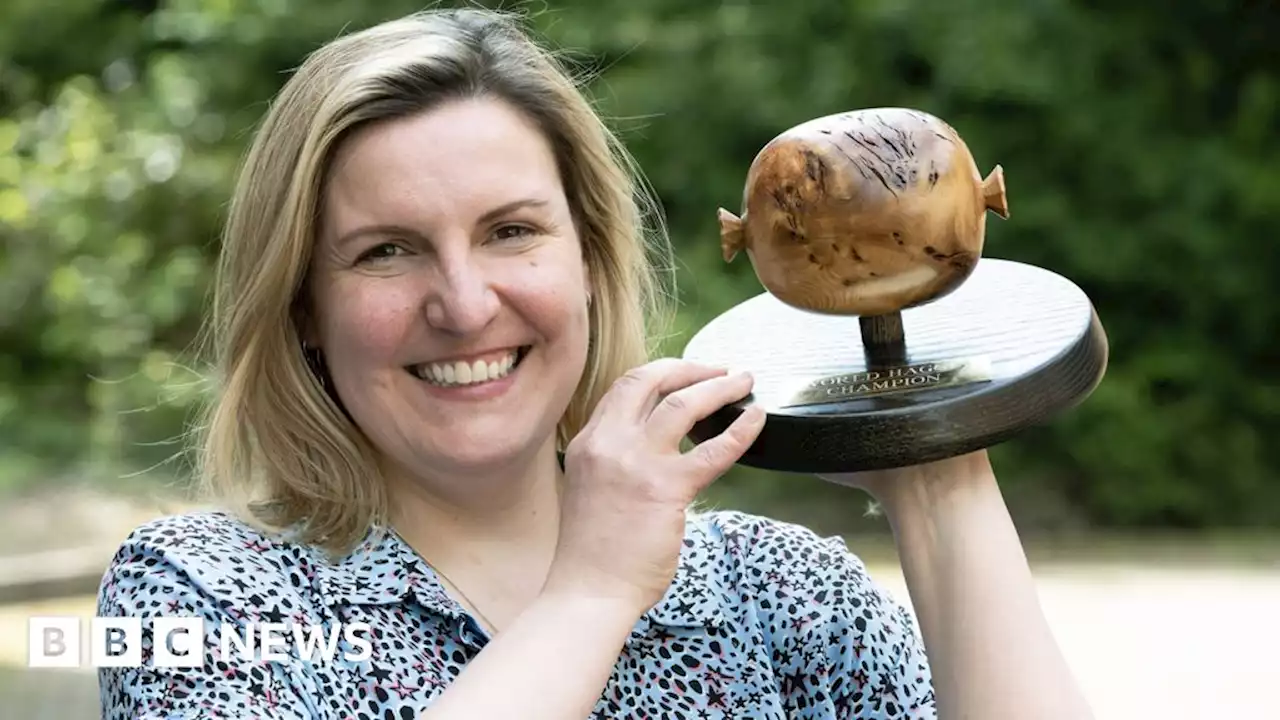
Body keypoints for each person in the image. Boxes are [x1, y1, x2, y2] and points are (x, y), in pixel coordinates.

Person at [97, 8, 1093, 719]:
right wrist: (590, 593)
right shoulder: (199, 594)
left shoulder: (777, 595)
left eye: (511, 232)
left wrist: (937, 482)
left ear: (587, 262)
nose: (463, 303)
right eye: (385, 250)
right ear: (304, 306)